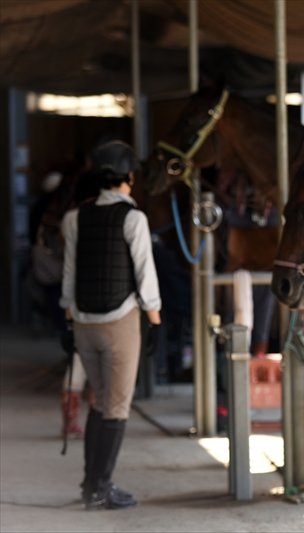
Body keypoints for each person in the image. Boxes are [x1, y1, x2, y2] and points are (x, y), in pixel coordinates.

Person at [60, 140, 162, 510]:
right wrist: (155, 321)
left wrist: (67, 319)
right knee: (117, 406)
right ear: (129, 177)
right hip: (120, 321)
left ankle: (91, 484)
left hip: (83, 323)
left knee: (99, 403)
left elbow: (69, 274)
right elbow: (145, 276)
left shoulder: (75, 218)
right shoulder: (133, 219)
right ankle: (101, 488)